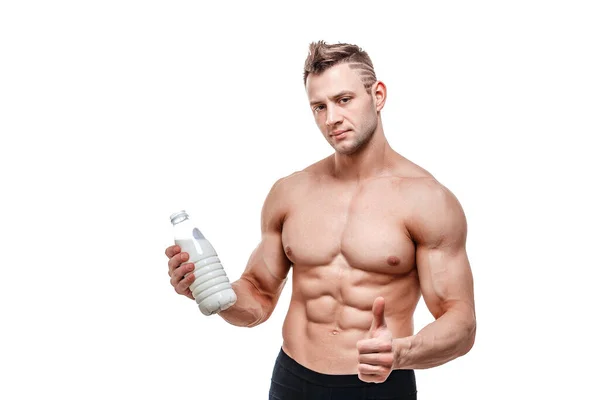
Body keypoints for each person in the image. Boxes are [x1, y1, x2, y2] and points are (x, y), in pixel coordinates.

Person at [165, 40, 476, 399]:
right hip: (292, 380)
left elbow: (461, 322)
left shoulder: (428, 200)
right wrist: (212, 292)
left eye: (344, 100)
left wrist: (401, 352)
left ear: (378, 95)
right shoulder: (290, 192)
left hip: (378, 385)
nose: (331, 118)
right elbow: (258, 298)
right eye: (319, 106)